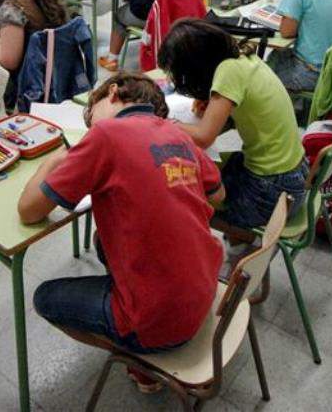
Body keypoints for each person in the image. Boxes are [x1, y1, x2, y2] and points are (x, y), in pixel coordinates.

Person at [20, 72, 224, 393]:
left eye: (92, 115)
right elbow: (218, 194)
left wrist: (52, 162)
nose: (91, 126)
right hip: (204, 289)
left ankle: (139, 358)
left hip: (159, 320)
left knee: (45, 298)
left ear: (113, 93)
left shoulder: (105, 135)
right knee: (104, 241)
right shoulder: (179, 135)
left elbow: (28, 210)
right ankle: (141, 339)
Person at [158, 19, 307, 258]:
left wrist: (162, 122)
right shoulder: (244, 58)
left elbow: (205, 137)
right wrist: (213, 101)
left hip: (271, 192)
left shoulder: (228, 74)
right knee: (209, 173)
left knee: (187, 199)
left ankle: (250, 246)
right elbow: (243, 109)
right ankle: (241, 244)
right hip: (294, 174)